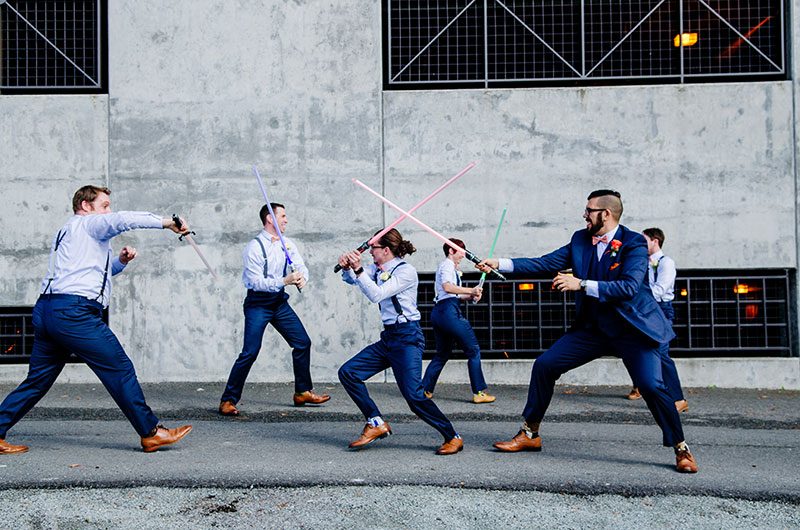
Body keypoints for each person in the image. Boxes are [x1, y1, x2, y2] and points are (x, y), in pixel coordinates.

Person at [478, 190, 698, 473]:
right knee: (545, 365)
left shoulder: (633, 243)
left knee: (652, 387)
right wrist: (500, 264)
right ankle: (529, 434)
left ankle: (681, 448)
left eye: (589, 210)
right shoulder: (580, 239)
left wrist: (579, 284)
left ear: (605, 214)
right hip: (593, 329)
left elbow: (629, 287)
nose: (584, 215)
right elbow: (544, 262)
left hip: (633, 329)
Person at [0, 185, 192, 455]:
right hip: (73, 313)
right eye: (104, 206)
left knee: (38, 380)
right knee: (120, 368)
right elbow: (123, 219)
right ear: (86, 206)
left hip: (50, 309)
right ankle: (151, 433)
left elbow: (87, 275)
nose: (108, 211)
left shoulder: (70, 230)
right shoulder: (89, 225)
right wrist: (167, 222)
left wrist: (121, 262)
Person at [337, 229, 463, 455]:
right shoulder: (377, 268)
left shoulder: (406, 272)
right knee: (348, 372)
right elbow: (353, 281)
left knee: (414, 396)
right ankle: (375, 422)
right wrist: (348, 269)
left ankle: (452, 436)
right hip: (389, 338)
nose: (370, 253)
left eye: (372, 248)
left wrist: (357, 269)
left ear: (385, 250)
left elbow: (376, 294)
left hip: (407, 337)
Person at [219, 203, 329, 415]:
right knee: (250, 352)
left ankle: (302, 391)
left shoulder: (287, 244)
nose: (287, 220)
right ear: (270, 218)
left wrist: (302, 278)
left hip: (278, 303)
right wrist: (284, 280)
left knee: (302, 342)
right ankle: (228, 400)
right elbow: (255, 282)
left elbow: (301, 265)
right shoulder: (254, 247)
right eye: (283, 216)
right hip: (258, 304)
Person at [421, 239, 495, 404]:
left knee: (442, 354)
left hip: (439, 312)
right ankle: (479, 392)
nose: (464, 253)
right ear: (451, 251)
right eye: (461, 250)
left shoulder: (449, 267)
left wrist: (471, 296)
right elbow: (448, 287)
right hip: (448, 313)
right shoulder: (447, 266)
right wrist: (471, 290)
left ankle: (425, 390)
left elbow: (452, 294)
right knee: (473, 350)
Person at [626, 228, 688, 413]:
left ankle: (678, 399)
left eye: (644, 240)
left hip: (660, 310)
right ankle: (640, 386)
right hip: (643, 309)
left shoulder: (666, 262)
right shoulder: (641, 262)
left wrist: (635, 295)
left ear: (655, 241)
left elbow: (660, 290)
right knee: (633, 347)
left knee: (661, 353)